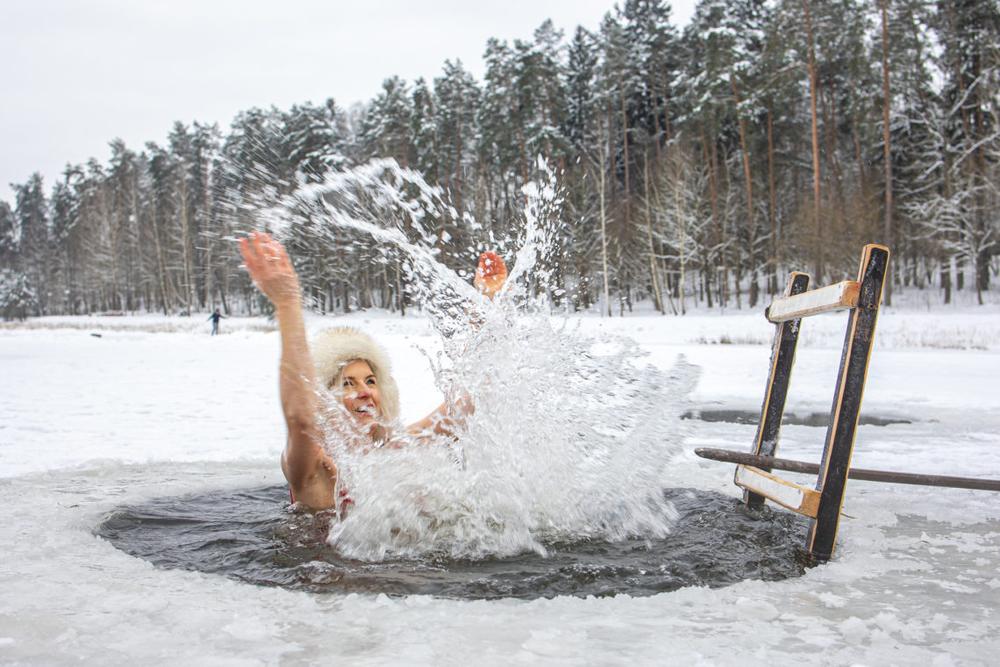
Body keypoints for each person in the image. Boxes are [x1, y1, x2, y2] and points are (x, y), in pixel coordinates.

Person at [238, 231, 507, 512]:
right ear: (325, 396)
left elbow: (465, 408)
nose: (365, 391)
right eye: (348, 383)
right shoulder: (313, 468)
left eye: (370, 381)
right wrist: (287, 303)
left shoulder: (393, 450)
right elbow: (299, 418)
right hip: (318, 557)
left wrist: (485, 306)